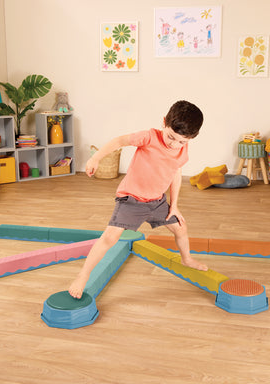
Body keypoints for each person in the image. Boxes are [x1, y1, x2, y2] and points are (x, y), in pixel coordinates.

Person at [69, 100, 208, 299]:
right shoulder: (149, 137)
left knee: (181, 228)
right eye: (171, 137)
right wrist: (95, 158)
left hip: (157, 202)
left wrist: (175, 205)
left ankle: (186, 259)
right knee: (110, 238)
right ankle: (83, 275)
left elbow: (175, 173)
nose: (174, 144)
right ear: (164, 122)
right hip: (131, 200)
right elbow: (119, 141)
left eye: (182, 141)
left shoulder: (182, 150)